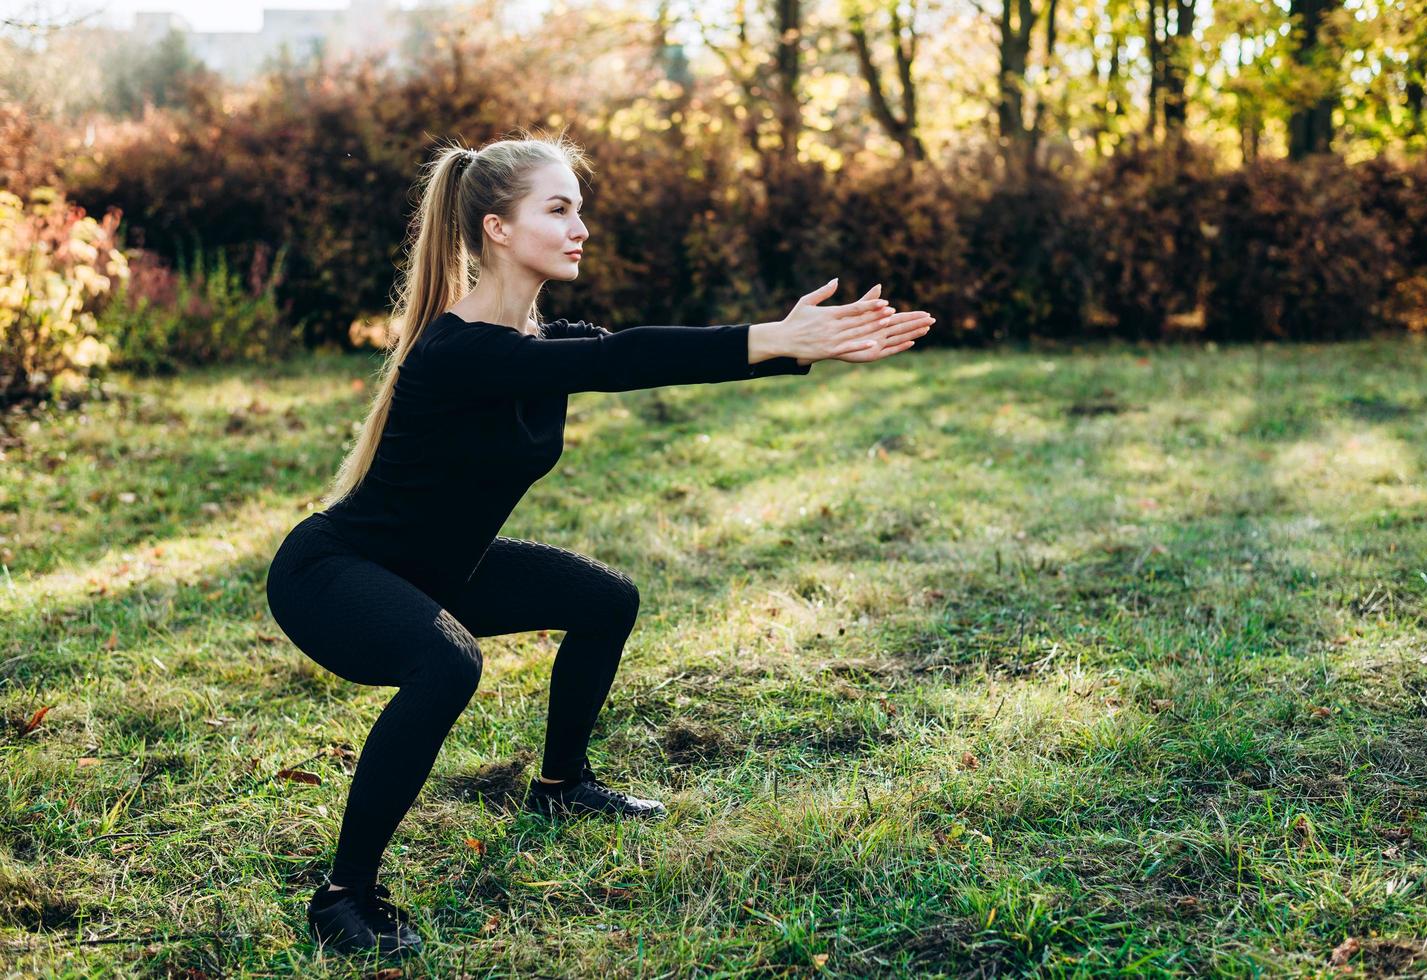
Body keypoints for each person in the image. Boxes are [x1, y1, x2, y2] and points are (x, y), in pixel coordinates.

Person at [264, 129, 934, 959]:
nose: (581, 226)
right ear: (498, 230)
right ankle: (343, 895)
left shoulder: (542, 343)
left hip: (437, 573)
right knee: (447, 663)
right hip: (334, 576)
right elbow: (623, 357)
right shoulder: (457, 348)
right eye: (558, 208)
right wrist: (774, 336)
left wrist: (790, 347)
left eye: (580, 209)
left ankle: (561, 786)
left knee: (603, 598)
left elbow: (639, 355)